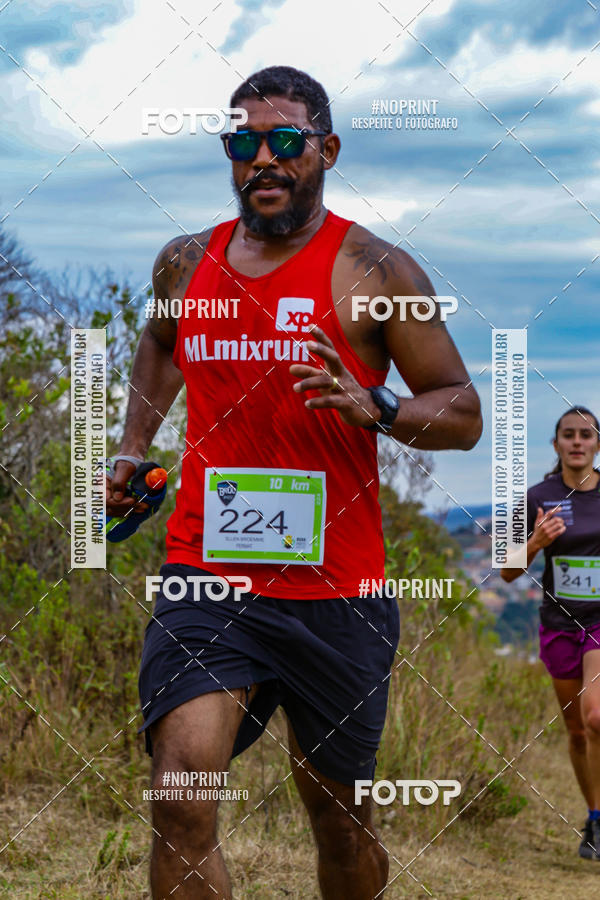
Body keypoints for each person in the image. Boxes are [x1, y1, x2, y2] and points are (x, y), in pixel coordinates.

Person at [106, 65, 482, 899]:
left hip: (336, 591)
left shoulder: (378, 272)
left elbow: (462, 414)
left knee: (339, 820)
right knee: (180, 795)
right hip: (206, 574)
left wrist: (377, 405)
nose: (263, 160)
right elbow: (163, 347)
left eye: (285, 142)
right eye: (244, 143)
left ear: (327, 150)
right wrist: (133, 447)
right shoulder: (184, 262)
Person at [501, 406, 600, 861]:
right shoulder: (537, 496)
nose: (577, 442)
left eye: (586, 435)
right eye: (568, 435)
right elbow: (506, 571)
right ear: (556, 443)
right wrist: (536, 541)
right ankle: (594, 817)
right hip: (560, 624)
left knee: (596, 716)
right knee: (578, 730)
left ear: (597, 444)